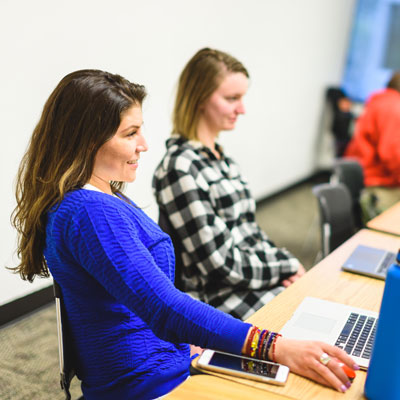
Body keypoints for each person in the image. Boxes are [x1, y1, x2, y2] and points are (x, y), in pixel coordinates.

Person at [12, 69, 356, 399]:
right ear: (87, 141)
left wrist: (194, 342)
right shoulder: (90, 211)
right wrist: (275, 347)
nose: (144, 144)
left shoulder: (98, 196)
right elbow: (163, 307)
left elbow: (146, 302)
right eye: (130, 134)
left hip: (170, 360)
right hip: (150, 384)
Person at [153, 48, 305, 320]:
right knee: (305, 321)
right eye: (232, 98)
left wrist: (283, 267)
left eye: (242, 97)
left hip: (249, 282)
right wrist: (285, 265)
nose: (242, 109)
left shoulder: (223, 159)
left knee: (315, 304)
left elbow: (250, 233)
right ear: (199, 98)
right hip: (219, 298)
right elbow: (220, 265)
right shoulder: (179, 167)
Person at [344, 71, 400, 221]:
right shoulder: (394, 108)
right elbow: (392, 154)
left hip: (365, 174)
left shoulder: (380, 101)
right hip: (378, 183)